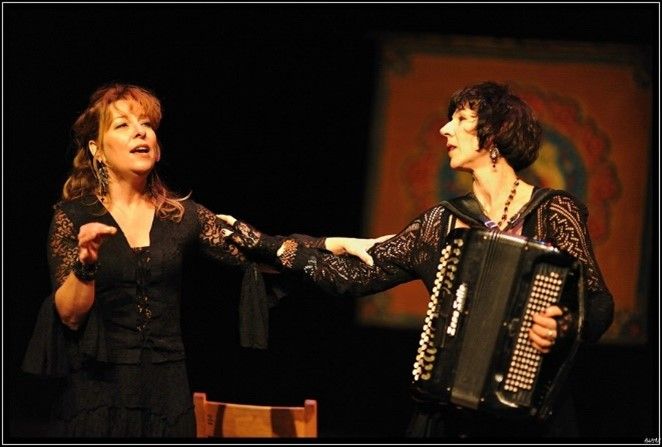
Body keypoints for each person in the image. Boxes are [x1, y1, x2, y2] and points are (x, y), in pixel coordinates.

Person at [217, 81, 614, 438]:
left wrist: (561, 325)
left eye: (461, 119)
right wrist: (269, 245)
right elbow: (352, 276)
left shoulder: (553, 211)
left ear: (494, 133)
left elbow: (597, 302)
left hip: (530, 418)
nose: (445, 129)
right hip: (451, 416)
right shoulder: (440, 222)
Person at [20, 83, 383, 438]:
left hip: (166, 396)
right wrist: (86, 261)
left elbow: (260, 251)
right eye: (123, 124)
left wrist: (333, 243)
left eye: (146, 124)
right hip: (96, 394)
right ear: (97, 150)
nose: (140, 132)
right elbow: (69, 315)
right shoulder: (73, 216)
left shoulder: (182, 216)